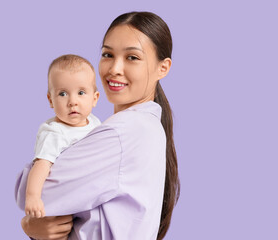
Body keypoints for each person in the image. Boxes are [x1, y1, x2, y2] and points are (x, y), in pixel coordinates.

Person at [15, 11, 180, 240]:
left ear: (163, 67)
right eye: (107, 54)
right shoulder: (139, 127)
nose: (114, 69)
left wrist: (29, 223)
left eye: (132, 57)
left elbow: (32, 195)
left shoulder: (124, 133)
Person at [25, 54, 100, 219]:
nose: (73, 101)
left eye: (81, 92)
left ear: (94, 98)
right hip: (65, 199)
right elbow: (41, 166)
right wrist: (33, 196)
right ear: (50, 100)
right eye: (63, 94)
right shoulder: (55, 133)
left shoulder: (95, 123)